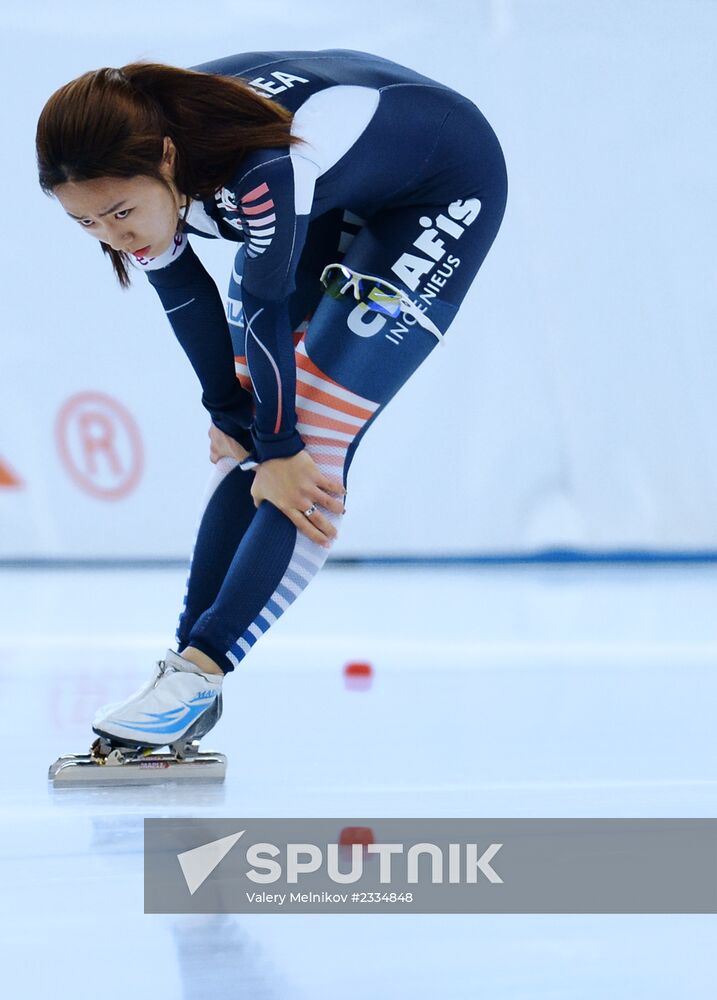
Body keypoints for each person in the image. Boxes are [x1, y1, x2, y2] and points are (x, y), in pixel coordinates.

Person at [36, 49, 507, 756]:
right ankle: (183, 678)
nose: (114, 235)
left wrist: (282, 446)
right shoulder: (132, 164)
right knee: (249, 432)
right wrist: (234, 415)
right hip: (340, 185)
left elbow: (263, 299)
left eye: (122, 213)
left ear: (167, 160)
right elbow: (185, 295)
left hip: (438, 185)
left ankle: (203, 669)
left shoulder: (254, 167)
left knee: (308, 446)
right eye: (88, 224)